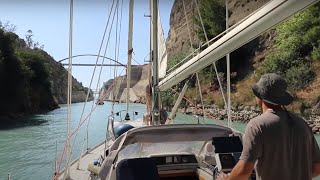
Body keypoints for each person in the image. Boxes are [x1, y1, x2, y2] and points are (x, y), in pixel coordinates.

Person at [218, 73, 320, 180]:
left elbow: (244, 172)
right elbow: (317, 168)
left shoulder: (257, 126)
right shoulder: (303, 124)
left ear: (259, 97)